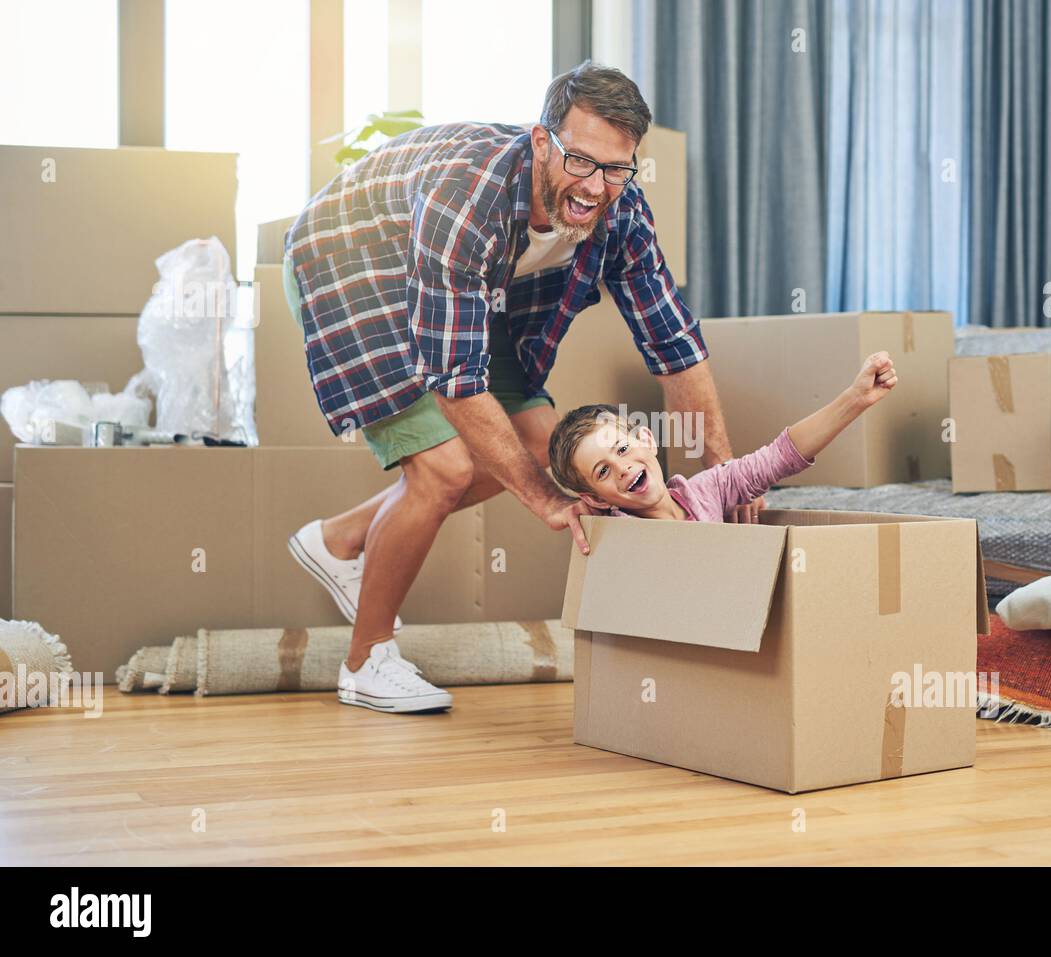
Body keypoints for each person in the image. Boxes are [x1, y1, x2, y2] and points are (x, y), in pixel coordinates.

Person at [280, 62, 756, 714]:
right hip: (355, 259)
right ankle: (366, 661)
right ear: (540, 143)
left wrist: (721, 473)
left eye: (617, 168)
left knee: (545, 445)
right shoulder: (466, 197)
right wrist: (545, 502)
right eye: (580, 161)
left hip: (470, 288)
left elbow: (674, 346)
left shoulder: (621, 214)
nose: (596, 187)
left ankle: (340, 539)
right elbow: (455, 379)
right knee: (444, 468)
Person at [548, 353, 898, 521]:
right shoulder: (613, 533)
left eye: (622, 449)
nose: (622, 467)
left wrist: (855, 399)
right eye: (603, 472)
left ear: (647, 440)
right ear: (595, 499)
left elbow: (780, 456)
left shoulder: (706, 492)